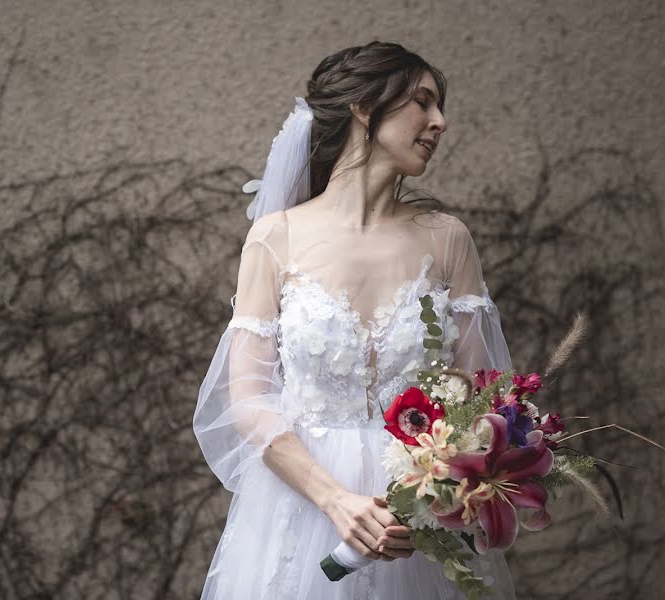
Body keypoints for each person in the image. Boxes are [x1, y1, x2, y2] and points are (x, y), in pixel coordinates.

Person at [192, 41, 516, 599]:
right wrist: (336, 502)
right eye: (422, 102)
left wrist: (431, 500)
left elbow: (481, 399)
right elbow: (247, 400)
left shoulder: (448, 239)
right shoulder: (276, 237)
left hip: (413, 528)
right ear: (364, 107)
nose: (440, 122)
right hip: (302, 513)